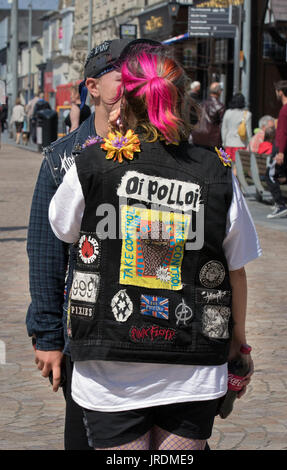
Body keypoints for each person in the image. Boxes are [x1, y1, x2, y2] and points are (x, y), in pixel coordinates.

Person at [48, 50, 261, 451]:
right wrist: (239, 339)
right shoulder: (215, 171)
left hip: (110, 358)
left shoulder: (94, 162)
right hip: (193, 358)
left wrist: (111, 145)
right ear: (182, 101)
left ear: (123, 100)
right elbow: (237, 266)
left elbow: (62, 227)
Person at [26, 38, 165, 451]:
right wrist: (48, 337)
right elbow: (46, 254)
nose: (134, 86)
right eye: (123, 79)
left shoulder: (160, 152)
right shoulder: (62, 159)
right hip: (86, 337)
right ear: (92, 87)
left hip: (156, 333)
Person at [266, 80, 287, 219]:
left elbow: (283, 132)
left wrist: (280, 152)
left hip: (282, 149)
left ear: (280, 92)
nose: (276, 94)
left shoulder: (285, 110)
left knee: (270, 175)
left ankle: (280, 205)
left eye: (276, 91)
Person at [221, 93, 252, 167]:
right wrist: (249, 145)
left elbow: (224, 129)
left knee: (228, 167)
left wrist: (224, 142)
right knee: (239, 168)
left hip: (228, 144)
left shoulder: (227, 112)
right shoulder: (247, 114)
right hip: (241, 144)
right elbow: (248, 132)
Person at [191, 82, 225, 147]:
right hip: (212, 138)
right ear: (219, 92)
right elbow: (222, 124)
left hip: (197, 135)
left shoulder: (201, 104)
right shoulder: (220, 106)